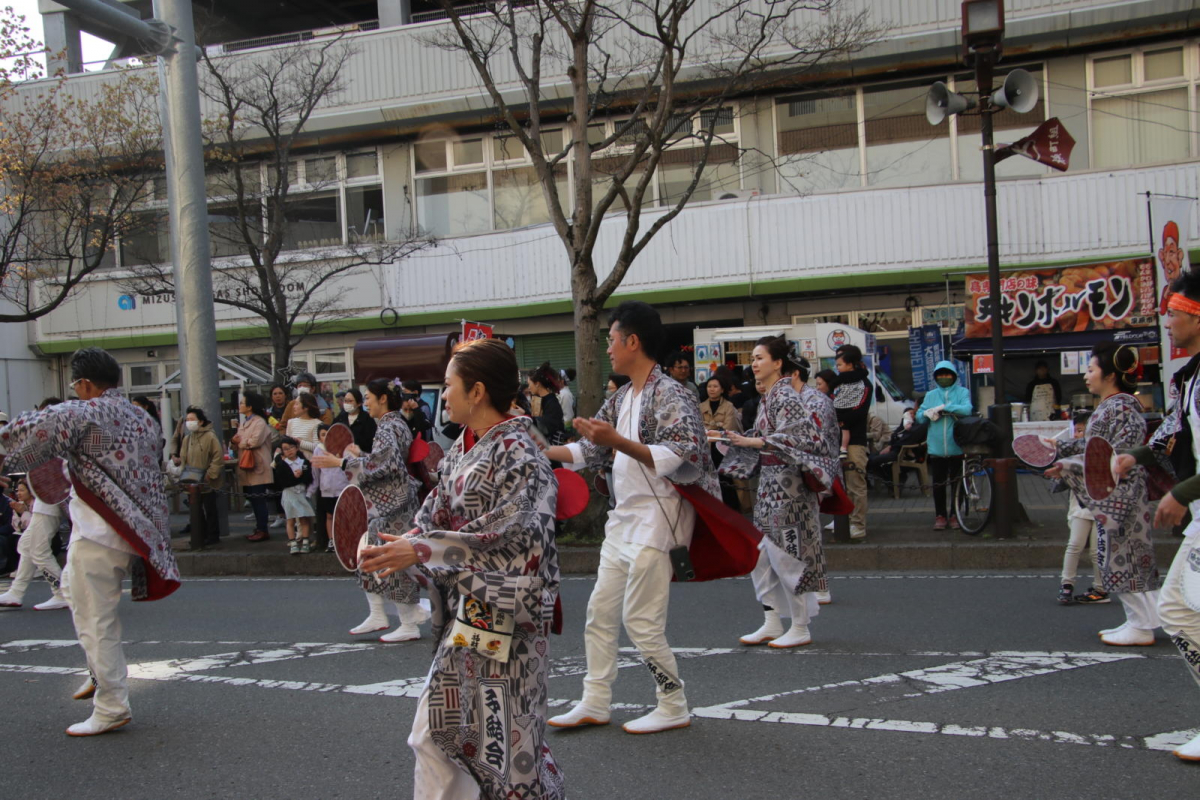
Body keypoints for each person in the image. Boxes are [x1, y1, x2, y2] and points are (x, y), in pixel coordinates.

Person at [357, 337, 564, 799]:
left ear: (477, 391)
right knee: (453, 736)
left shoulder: (521, 453)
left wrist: (425, 550)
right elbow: (433, 516)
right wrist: (406, 544)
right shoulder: (464, 450)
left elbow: (516, 540)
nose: (441, 394)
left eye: (448, 384)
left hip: (502, 618)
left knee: (488, 743)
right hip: (478, 615)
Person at [545, 301, 719, 735]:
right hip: (624, 519)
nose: (607, 348)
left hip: (661, 520)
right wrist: (539, 450)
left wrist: (617, 440)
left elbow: (685, 454)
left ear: (633, 342)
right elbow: (591, 449)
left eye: (611, 339)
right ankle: (595, 700)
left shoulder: (672, 392)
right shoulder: (622, 396)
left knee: (640, 620)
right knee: (600, 614)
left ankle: (672, 702)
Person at [0, 347, 180, 736]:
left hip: (100, 530)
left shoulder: (85, 412)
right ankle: (100, 677)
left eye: (75, 385)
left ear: (83, 384)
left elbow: (26, 435)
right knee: (73, 593)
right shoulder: (141, 417)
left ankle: (111, 702)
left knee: (95, 619)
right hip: (131, 527)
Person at [1114, 272, 1200, 760]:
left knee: (1178, 610)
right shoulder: (1190, 377)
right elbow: (1173, 431)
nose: (1165, 322)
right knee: (1183, 609)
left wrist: (1182, 492)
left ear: (1195, 316)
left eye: (1171, 313)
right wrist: (1135, 456)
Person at [719, 336, 839, 648]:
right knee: (760, 557)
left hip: (791, 491)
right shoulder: (770, 397)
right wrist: (731, 438)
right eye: (754, 358)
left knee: (788, 557)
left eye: (760, 358)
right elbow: (760, 438)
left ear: (777, 363)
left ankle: (800, 626)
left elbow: (801, 440)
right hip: (771, 487)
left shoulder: (786, 397)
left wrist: (753, 442)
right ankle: (772, 621)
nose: (754, 363)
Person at [1046, 343, 1160, 647]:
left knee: (1124, 558)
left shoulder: (1120, 408)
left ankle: (1142, 624)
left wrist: (1066, 464)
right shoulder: (1116, 406)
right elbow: (1095, 448)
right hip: (1120, 493)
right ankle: (1144, 621)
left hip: (1122, 494)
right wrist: (1060, 450)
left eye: (1091, 369)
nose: (1087, 376)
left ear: (1110, 375)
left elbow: (1115, 455)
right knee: (1127, 558)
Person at [312, 379, 426, 643]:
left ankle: (409, 621)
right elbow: (384, 462)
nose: (365, 403)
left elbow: (386, 467)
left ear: (383, 398)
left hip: (394, 504)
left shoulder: (388, 426)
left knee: (391, 561)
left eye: (368, 397)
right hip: (395, 501)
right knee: (370, 555)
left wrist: (342, 461)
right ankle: (379, 613)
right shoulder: (394, 424)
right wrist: (361, 454)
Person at [0, 477, 68, 610]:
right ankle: (16, 592)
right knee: (26, 544)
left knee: (39, 551)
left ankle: (62, 593)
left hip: (50, 497)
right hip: (45, 498)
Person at [919, 361, 972, 530]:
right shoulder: (930, 395)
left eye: (947, 374)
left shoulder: (963, 392)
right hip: (936, 447)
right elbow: (920, 417)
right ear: (935, 377)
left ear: (954, 376)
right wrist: (929, 412)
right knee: (938, 484)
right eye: (940, 375)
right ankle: (940, 515)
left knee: (958, 484)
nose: (944, 378)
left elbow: (967, 409)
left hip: (957, 445)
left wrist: (946, 408)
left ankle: (955, 514)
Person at [1058, 412, 1102, 605]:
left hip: (1100, 505)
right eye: (1076, 430)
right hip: (1080, 506)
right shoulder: (1071, 451)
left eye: (1082, 430)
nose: (1078, 434)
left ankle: (1100, 588)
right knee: (1074, 544)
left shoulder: (1101, 450)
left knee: (1096, 550)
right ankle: (1067, 584)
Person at [833, 345, 872, 541]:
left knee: (856, 484)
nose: (837, 367)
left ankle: (858, 524)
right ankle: (842, 518)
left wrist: (841, 420)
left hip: (855, 441)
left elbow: (859, 412)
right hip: (836, 439)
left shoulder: (864, 384)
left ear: (850, 363)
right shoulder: (837, 384)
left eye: (840, 363)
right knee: (840, 484)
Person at [175, 406, 226, 548]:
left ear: (201, 421)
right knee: (196, 511)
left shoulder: (210, 436)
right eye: (187, 420)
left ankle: (212, 535)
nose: (189, 422)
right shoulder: (187, 438)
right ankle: (200, 535)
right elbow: (183, 458)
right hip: (192, 480)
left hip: (207, 480)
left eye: (192, 419)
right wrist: (183, 475)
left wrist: (211, 474)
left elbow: (218, 457)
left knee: (210, 509)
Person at [233, 392, 275, 543]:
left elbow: (254, 442)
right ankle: (258, 527)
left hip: (258, 465)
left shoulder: (259, 422)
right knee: (252, 498)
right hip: (247, 465)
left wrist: (239, 441)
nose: (240, 406)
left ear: (250, 406)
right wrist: (237, 440)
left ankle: (263, 529)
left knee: (259, 499)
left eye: (243, 403)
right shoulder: (245, 422)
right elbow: (240, 440)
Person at [309, 425, 350, 555]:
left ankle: (344, 540)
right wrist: (312, 489)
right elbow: (315, 472)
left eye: (328, 433)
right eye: (322, 434)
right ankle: (331, 540)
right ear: (318, 438)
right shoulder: (318, 450)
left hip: (342, 486)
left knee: (343, 515)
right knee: (329, 515)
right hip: (326, 488)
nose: (326, 436)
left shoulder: (343, 448)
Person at [272, 437, 314, 554]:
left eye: (291, 447)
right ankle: (293, 542)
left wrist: (300, 476)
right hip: (289, 493)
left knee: (304, 518)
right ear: (282, 451)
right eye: (286, 449)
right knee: (290, 520)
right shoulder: (281, 464)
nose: (289, 451)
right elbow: (282, 482)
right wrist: (295, 477)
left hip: (301, 493)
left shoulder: (304, 462)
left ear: (296, 448)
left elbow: (308, 478)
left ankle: (305, 542)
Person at [866, 408, 928, 480]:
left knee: (875, 460)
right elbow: (895, 435)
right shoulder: (903, 425)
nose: (911, 415)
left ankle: (892, 482)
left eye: (913, 413)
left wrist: (891, 447)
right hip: (895, 449)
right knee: (870, 458)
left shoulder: (917, 426)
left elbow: (907, 440)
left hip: (902, 453)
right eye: (908, 414)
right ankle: (891, 480)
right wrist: (890, 445)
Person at [528, 363, 566, 446]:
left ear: (537, 384)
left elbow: (545, 428)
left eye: (529, 384)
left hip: (553, 451)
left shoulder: (552, 403)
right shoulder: (539, 400)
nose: (529, 387)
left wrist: (526, 416)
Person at [332, 389, 377, 454]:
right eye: (345, 401)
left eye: (350, 401)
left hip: (362, 457)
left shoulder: (367, 418)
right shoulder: (340, 418)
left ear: (359, 403)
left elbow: (372, 441)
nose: (347, 404)